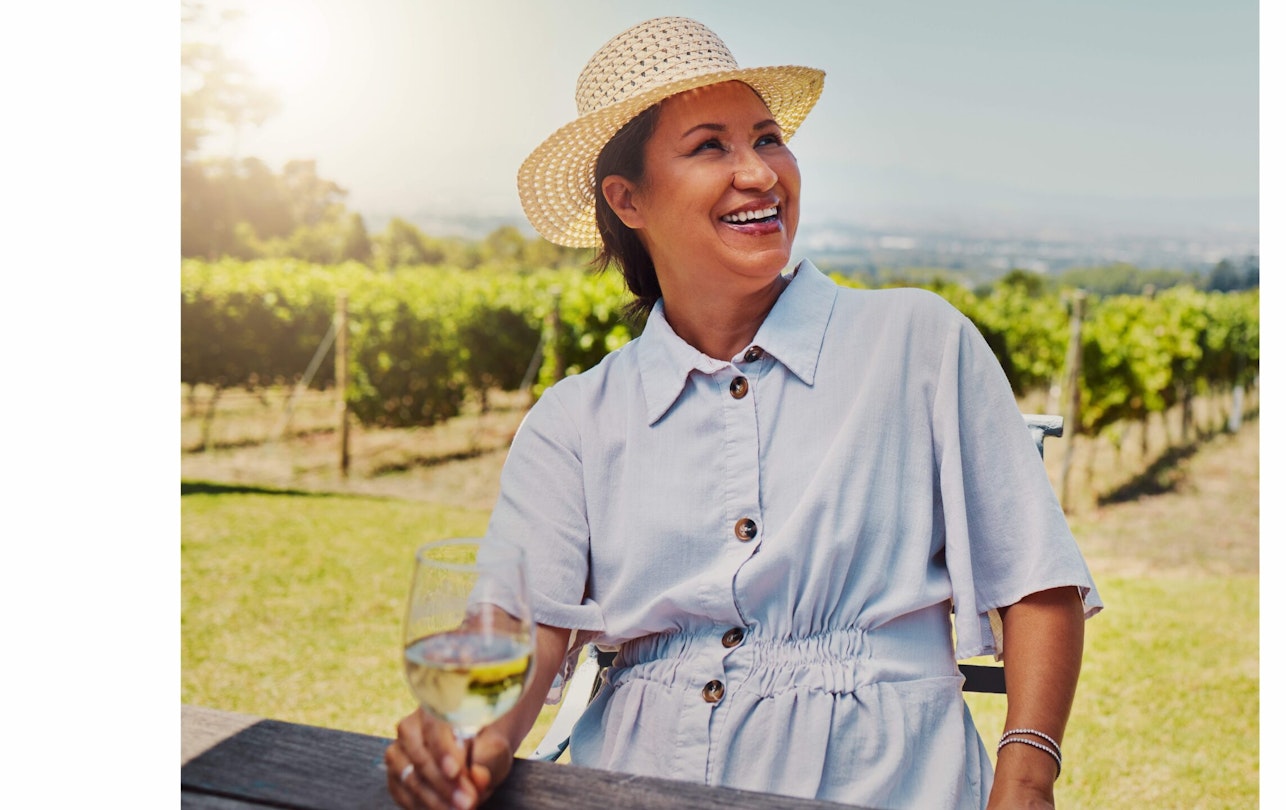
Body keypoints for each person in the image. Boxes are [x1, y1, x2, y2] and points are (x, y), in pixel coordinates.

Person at [385, 16, 1102, 810]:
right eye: (710, 147)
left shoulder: (919, 344)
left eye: (767, 139)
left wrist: (1026, 782)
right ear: (628, 199)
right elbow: (522, 630)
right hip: (632, 783)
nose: (759, 174)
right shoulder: (574, 421)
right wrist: (472, 743)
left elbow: (1036, 580)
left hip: (888, 784)